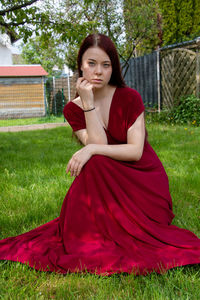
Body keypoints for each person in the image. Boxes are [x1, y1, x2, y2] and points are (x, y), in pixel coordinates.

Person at [0, 33, 199, 275]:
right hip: (106, 177)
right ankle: (94, 231)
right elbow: (99, 142)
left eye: (106, 65)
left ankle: (121, 223)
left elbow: (135, 151)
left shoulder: (129, 98)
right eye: (91, 64)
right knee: (96, 164)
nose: (98, 71)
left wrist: (92, 148)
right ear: (80, 66)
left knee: (94, 159)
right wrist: (87, 103)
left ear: (113, 67)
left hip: (143, 181)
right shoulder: (72, 109)